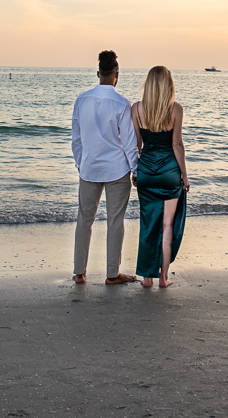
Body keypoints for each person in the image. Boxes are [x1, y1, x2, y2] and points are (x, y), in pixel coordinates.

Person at [71, 50, 140, 285]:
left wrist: (81, 164)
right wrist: (136, 170)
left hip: (89, 168)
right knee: (115, 221)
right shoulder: (122, 103)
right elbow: (130, 142)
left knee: (84, 220)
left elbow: (77, 139)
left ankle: (79, 272)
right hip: (116, 169)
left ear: (98, 73)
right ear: (116, 75)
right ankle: (112, 274)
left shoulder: (81, 100)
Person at [132, 66, 188, 288]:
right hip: (169, 173)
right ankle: (163, 279)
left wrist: (136, 171)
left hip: (146, 170)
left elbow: (137, 145)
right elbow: (176, 144)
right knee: (167, 226)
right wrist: (184, 175)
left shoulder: (136, 109)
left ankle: (147, 278)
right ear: (168, 85)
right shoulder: (176, 109)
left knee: (147, 224)